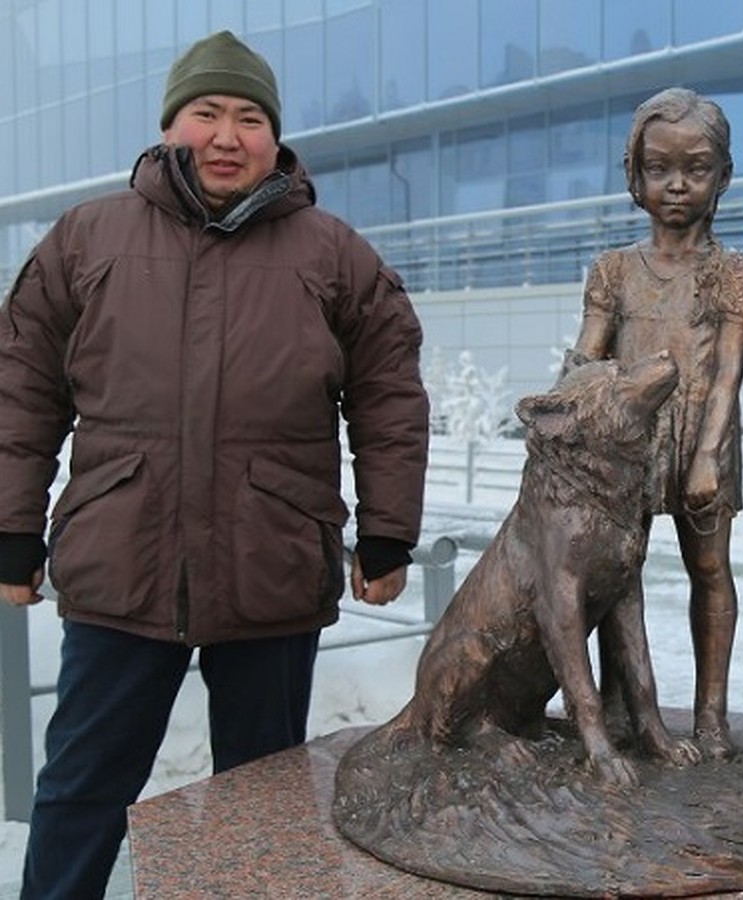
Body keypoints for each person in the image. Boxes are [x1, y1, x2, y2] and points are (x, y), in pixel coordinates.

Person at [0, 30, 429, 899]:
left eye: (248, 117)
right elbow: (23, 386)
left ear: (275, 139)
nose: (227, 135)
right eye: (206, 113)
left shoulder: (332, 252)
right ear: (169, 127)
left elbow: (388, 392)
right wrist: (11, 527)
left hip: (269, 566)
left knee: (264, 799)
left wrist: (388, 531)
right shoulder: (87, 239)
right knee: (82, 790)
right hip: (122, 562)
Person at [563, 88, 743, 759]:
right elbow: (590, 352)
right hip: (629, 445)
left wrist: (708, 455)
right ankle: (622, 709)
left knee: (709, 570)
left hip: (704, 435)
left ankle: (711, 715)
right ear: (634, 176)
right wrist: (567, 396)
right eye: (659, 169)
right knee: (617, 574)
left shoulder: (733, 273)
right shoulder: (613, 270)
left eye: (697, 168)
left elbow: (729, 372)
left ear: (723, 178)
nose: (677, 184)